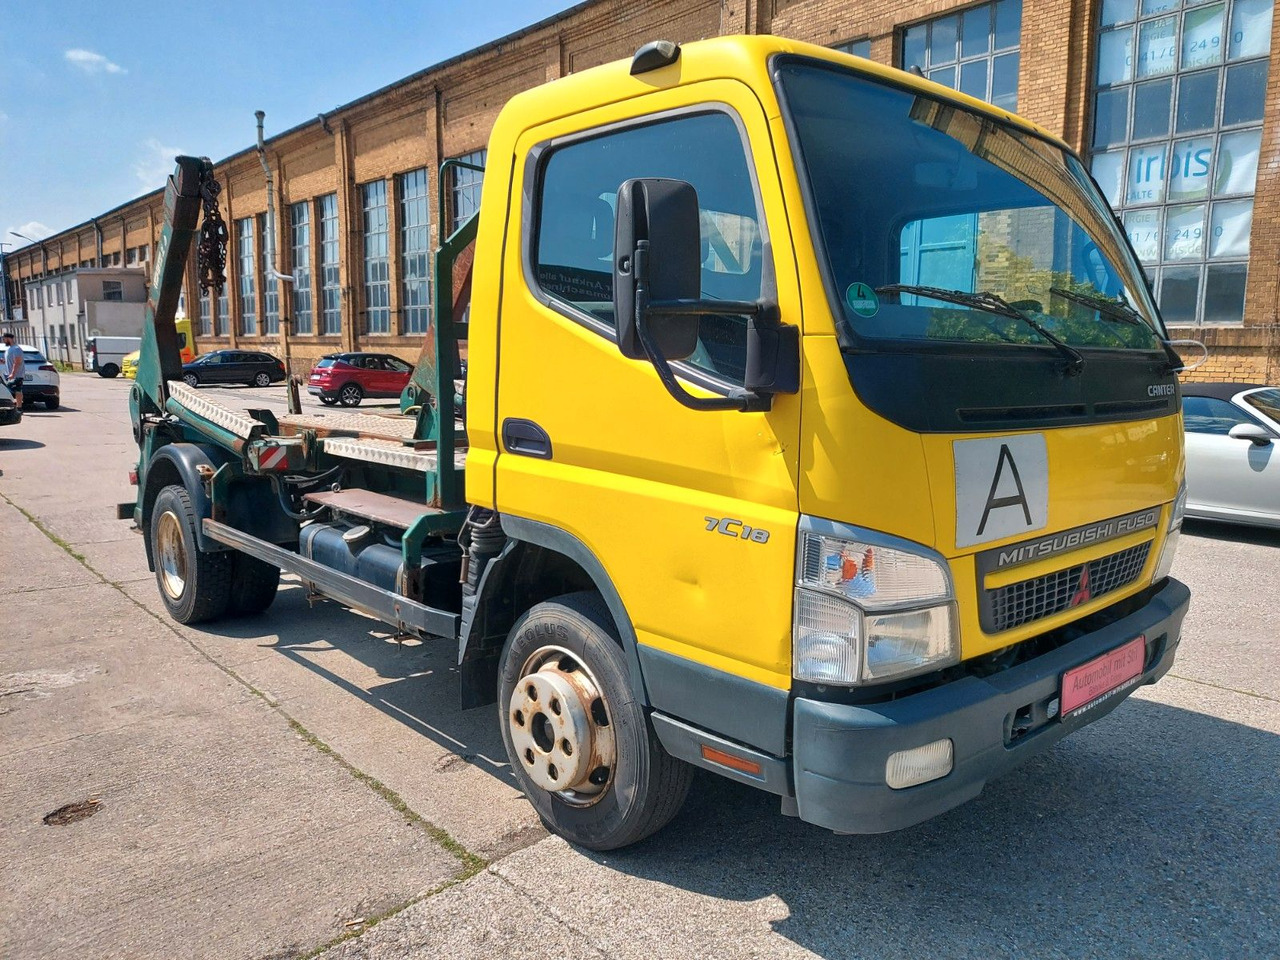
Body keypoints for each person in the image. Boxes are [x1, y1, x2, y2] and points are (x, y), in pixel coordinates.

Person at [2, 330, 24, 409]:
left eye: (4, 339)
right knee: (17, 390)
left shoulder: (16, 349)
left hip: (16, 375)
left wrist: (12, 374)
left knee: (10, 389)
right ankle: (18, 407)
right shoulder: (9, 349)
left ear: (9, 338)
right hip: (10, 375)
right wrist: (2, 361)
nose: (3, 341)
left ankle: (17, 406)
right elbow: (9, 361)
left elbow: (17, 362)